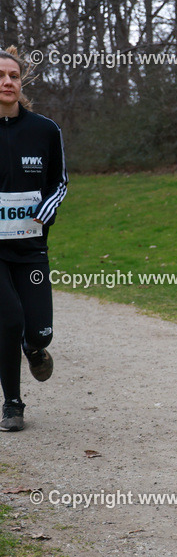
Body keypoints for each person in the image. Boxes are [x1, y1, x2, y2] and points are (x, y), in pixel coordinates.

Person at [0, 47, 68, 432]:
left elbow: (59, 182)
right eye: (0, 76)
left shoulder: (44, 130)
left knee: (40, 331)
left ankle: (33, 345)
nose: (7, 82)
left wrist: (46, 209)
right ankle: (12, 403)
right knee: (8, 321)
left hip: (30, 246)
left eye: (13, 76)